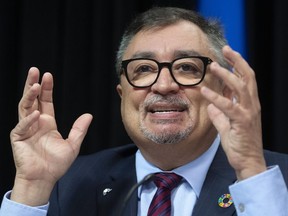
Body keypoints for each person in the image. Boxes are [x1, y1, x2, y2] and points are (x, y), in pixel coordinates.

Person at [0, 6, 288, 216]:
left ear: (226, 90)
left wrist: (250, 171)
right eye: (144, 69)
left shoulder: (274, 180)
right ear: (122, 94)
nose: (163, 85)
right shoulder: (69, 185)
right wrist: (32, 187)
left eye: (187, 67)